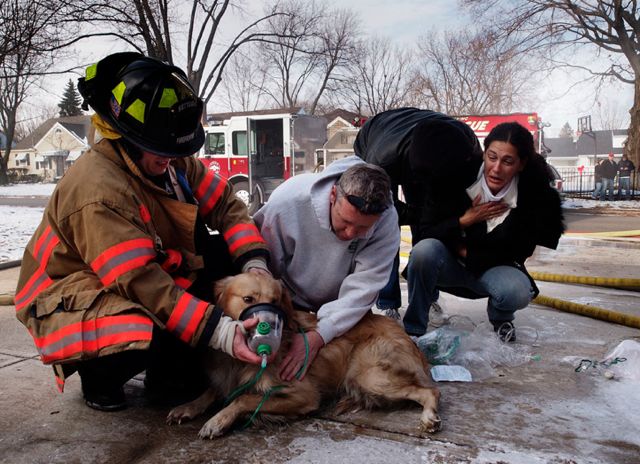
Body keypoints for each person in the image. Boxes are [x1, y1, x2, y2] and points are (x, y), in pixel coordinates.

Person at [14, 52, 270, 411]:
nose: (169, 159)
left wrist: (254, 265)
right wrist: (222, 333)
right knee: (145, 321)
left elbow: (227, 206)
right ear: (126, 136)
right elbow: (144, 283)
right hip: (67, 295)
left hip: (137, 273)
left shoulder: (168, 157)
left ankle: (174, 369)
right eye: (160, 151)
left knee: (218, 256)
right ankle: (99, 377)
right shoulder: (98, 191)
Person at [403, 122, 565, 341]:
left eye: (507, 161)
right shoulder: (453, 177)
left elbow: (517, 251)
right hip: (449, 265)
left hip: (492, 269)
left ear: (521, 164)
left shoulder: (535, 196)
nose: (496, 168)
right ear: (484, 154)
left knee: (516, 291)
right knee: (423, 252)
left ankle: (501, 318)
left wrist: (465, 252)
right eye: (492, 157)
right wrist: (464, 220)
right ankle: (414, 328)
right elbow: (426, 230)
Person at [252, 157, 399, 381]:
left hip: (343, 305)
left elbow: (365, 286)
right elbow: (265, 267)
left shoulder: (386, 221)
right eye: (345, 221)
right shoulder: (289, 201)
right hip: (289, 299)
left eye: (362, 228)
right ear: (332, 195)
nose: (350, 234)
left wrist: (320, 334)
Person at [353, 107, 483, 319]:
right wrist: (415, 215)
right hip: (377, 137)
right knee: (387, 227)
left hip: (426, 143)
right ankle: (389, 301)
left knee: (427, 228)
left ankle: (425, 294)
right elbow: (379, 207)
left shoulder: (466, 146)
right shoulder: (381, 161)